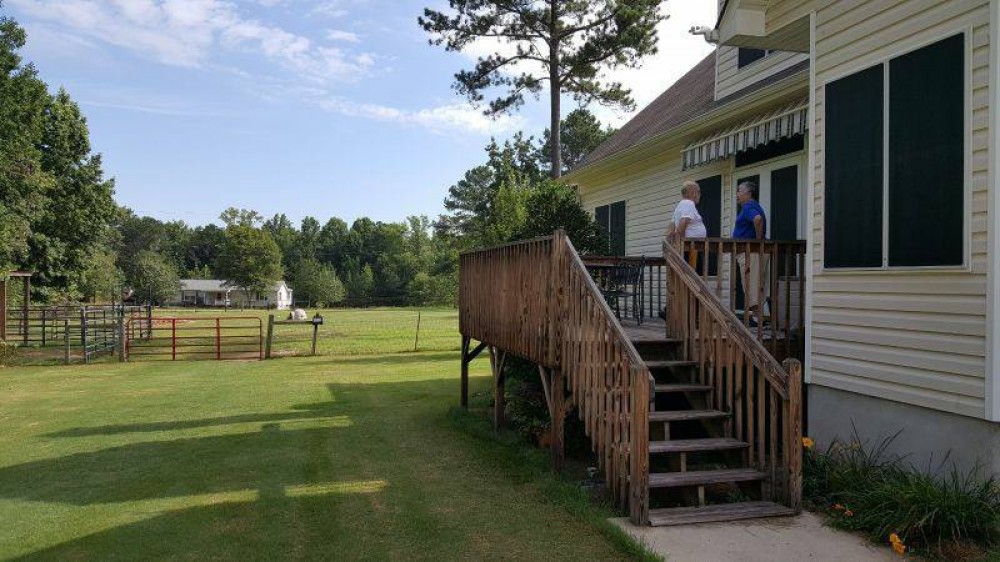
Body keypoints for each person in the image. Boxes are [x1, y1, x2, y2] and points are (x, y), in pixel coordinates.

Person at [732, 181, 768, 325]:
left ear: (749, 193)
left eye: (740, 191)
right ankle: (759, 319)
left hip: (751, 252)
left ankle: (757, 320)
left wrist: (758, 241)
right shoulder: (754, 206)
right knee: (756, 284)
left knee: (751, 284)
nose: (737, 194)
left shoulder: (748, 207)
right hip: (753, 252)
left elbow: (757, 220)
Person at [669, 181, 707, 268]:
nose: (699, 195)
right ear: (692, 192)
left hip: (688, 248)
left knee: (687, 275)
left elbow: (671, 226)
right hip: (691, 248)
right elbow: (684, 221)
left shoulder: (679, 206)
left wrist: (671, 242)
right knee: (694, 275)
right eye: (699, 191)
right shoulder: (689, 203)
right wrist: (681, 244)